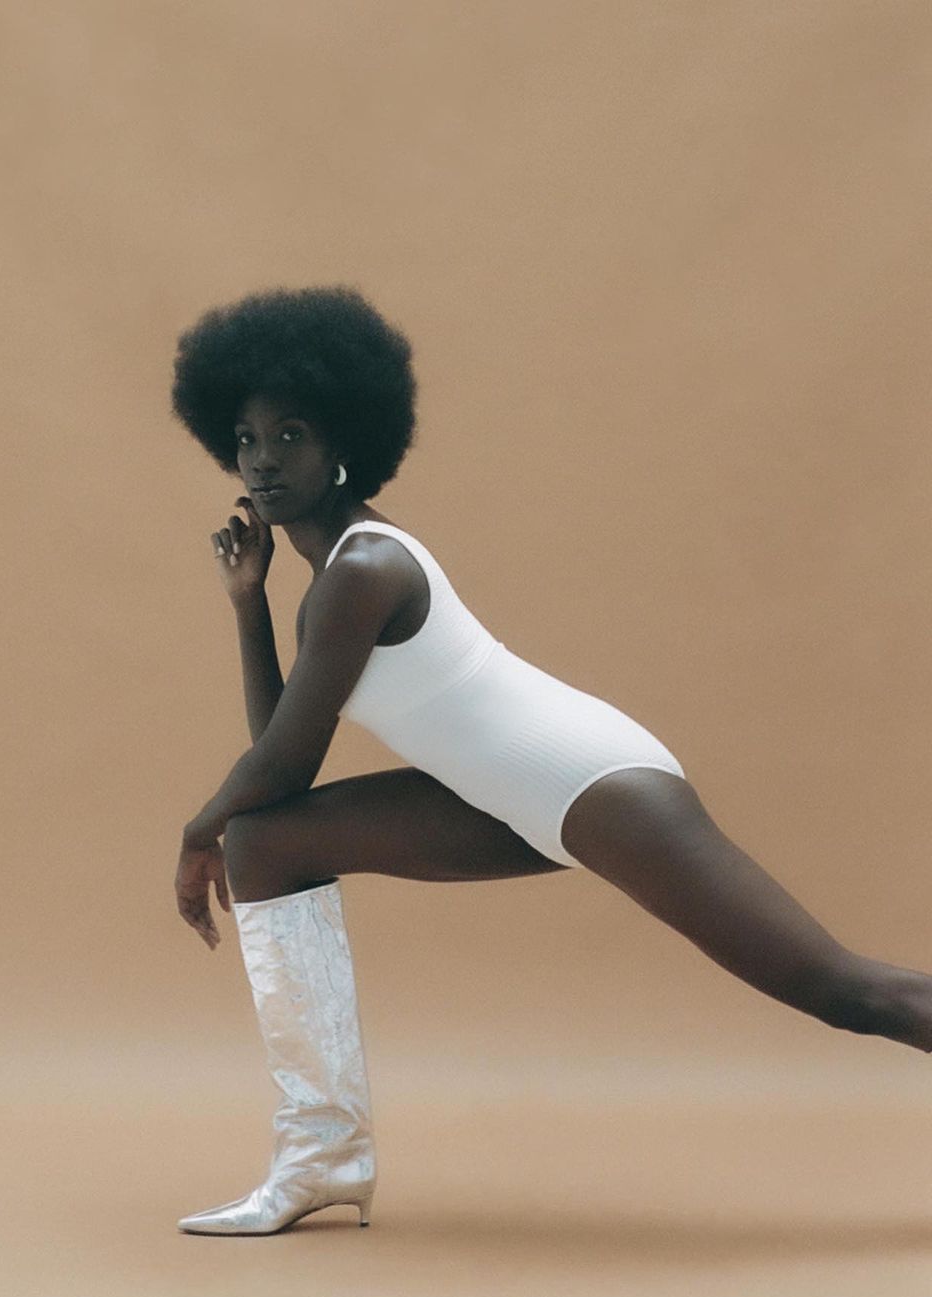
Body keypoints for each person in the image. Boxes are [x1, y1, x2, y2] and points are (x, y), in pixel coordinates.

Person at [169, 285, 932, 1237]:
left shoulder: (365, 570)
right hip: (498, 798)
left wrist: (196, 833)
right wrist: (248, 602)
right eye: (246, 438)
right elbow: (277, 761)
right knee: (266, 843)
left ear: (342, 444)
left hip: (597, 784)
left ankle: (323, 1155)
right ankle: (320, 1160)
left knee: (843, 992)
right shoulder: (328, 581)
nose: (263, 459)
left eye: (290, 434)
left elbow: (286, 763)